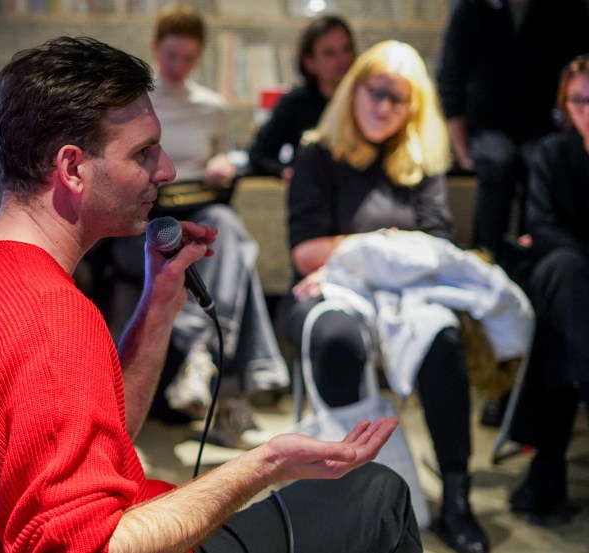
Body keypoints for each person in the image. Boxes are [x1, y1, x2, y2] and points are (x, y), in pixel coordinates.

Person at [0, 35, 421, 553]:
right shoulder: (52, 320)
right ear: (72, 168)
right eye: (143, 152)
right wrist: (265, 464)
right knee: (379, 494)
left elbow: (89, 444)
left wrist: (159, 304)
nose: (165, 170)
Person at [276, 41, 489, 553]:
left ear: (414, 109)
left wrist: (357, 248)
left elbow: (435, 248)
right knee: (337, 340)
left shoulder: (421, 162)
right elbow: (306, 253)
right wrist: (387, 243)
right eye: (377, 92)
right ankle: (350, 494)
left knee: (443, 343)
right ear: (354, 89)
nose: (385, 107)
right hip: (327, 289)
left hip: (407, 294)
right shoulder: (317, 154)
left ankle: (456, 495)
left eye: (399, 100)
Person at [133, 5, 288, 445]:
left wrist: (225, 164)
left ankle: (200, 359)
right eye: (171, 55)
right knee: (240, 262)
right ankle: (233, 392)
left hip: (201, 209)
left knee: (226, 229)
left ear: (200, 57)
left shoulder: (212, 108)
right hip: (150, 216)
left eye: (188, 57)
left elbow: (227, 162)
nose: (178, 66)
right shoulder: (136, 102)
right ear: (155, 48)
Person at [437, 0, 589, 260]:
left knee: (541, 160)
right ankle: (487, 255)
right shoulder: (471, 7)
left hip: (545, 126)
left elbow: (578, 68)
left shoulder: (566, 7)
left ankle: (534, 256)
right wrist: (461, 149)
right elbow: (450, 76)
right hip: (486, 125)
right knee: (497, 160)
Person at [509, 53, 589, 526]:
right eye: (578, 100)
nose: (587, 110)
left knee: (560, 326)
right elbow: (541, 227)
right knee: (565, 274)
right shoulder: (552, 153)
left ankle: (547, 464)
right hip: (563, 275)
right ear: (564, 105)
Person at [248, 14, 356, 183]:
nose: (342, 60)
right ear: (309, 62)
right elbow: (258, 154)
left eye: (347, 49)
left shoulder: (368, 98)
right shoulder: (295, 102)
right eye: (329, 53)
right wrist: (286, 172)